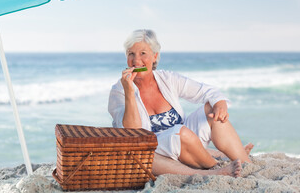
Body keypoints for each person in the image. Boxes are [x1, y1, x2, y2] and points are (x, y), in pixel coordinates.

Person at [108, 29, 253, 178]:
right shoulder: (119, 92)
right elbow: (133, 134)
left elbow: (208, 92)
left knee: (211, 109)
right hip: (155, 153)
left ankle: (245, 163)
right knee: (160, 147)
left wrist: (220, 104)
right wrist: (130, 93)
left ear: (155, 56)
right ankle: (215, 167)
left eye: (143, 53)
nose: (136, 60)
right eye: (131, 54)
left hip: (188, 146)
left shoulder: (168, 79)